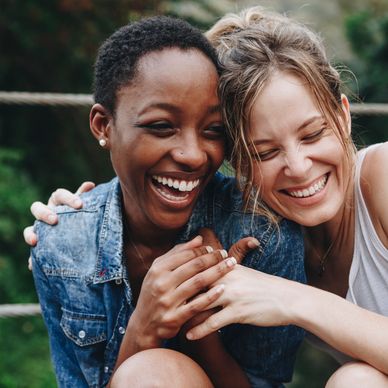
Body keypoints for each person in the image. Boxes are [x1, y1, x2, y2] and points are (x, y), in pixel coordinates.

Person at [29, 6, 388, 387]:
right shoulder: (269, 229)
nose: (299, 167)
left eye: (313, 134)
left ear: (344, 115)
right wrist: (82, 219)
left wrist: (294, 300)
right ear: (236, 161)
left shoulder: (381, 177)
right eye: (265, 152)